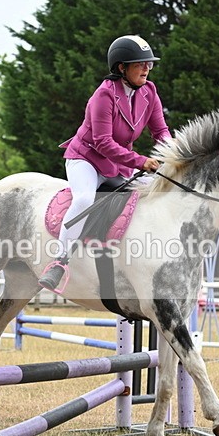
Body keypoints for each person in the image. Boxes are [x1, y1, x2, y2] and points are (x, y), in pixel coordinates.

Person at [38, 35, 171, 291]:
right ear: (121, 68)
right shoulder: (103, 95)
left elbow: (160, 131)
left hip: (119, 164)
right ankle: (59, 262)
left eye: (149, 64)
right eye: (140, 64)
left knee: (157, 190)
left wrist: (173, 155)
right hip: (86, 159)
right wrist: (142, 161)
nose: (146, 69)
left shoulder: (150, 92)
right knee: (84, 199)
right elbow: (103, 143)